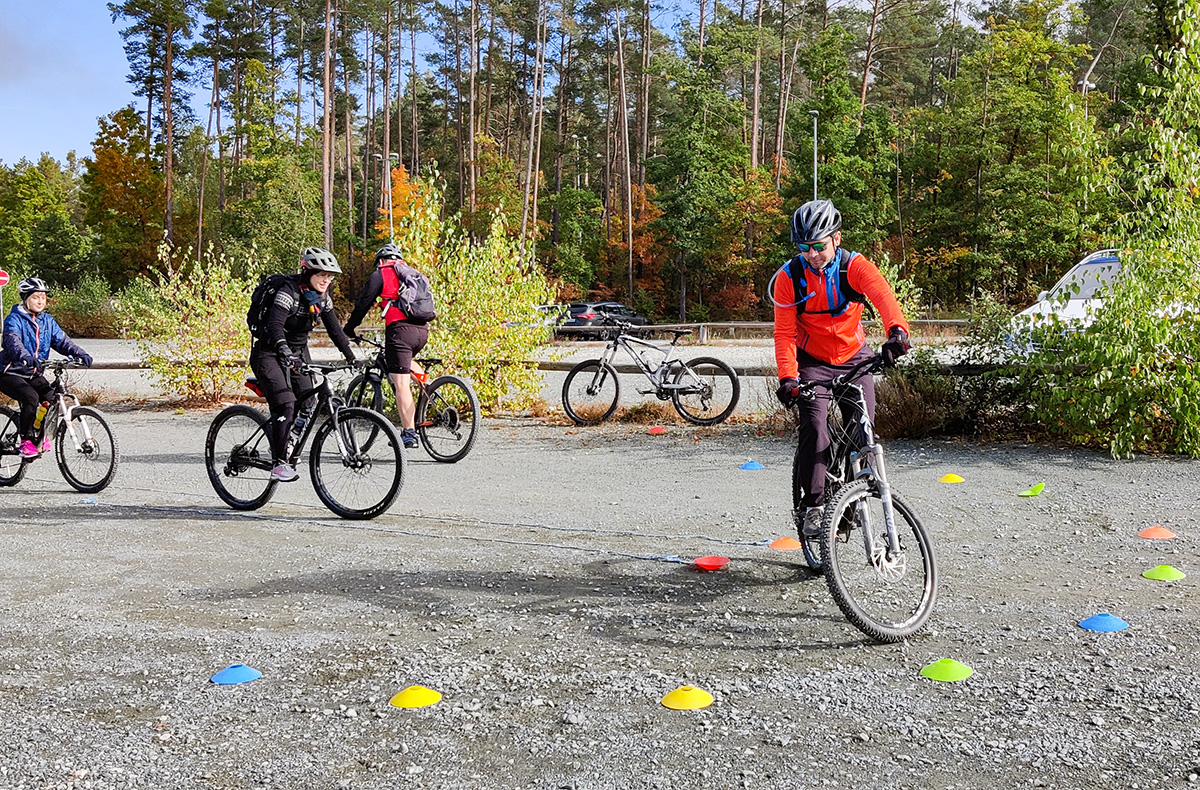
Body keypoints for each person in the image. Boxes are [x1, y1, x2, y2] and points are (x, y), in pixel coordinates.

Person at [772, 199, 911, 539]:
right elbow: (784, 333)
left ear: (836, 238)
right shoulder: (789, 277)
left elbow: (884, 297)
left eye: (819, 246)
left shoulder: (854, 267)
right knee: (815, 426)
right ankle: (815, 506)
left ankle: (852, 500)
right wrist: (788, 377)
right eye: (804, 247)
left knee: (863, 429)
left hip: (854, 356)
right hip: (812, 361)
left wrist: (897, 332)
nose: (812, 254)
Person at [250, 248, 358, 482]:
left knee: (308, 402)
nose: (326, 280)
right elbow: (275, 327)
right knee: (286, 404)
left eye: (330, 276)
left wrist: (352, 357)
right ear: (307, 272)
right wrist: (285, 352)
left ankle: (288, 441)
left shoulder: (322, 299)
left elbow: (335, 331)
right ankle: (279, 464)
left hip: (298, 353)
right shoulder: (288, 293)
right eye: (321, 275)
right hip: (268, 353)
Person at [342, 243, 431, 449]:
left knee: (401, 384)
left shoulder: (381, 274)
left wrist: (350, 328)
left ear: (381, 261)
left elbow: (363, 303)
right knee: (405, 364)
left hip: (400, 332)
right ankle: (430, 389)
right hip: (423, 330)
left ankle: (409, 434)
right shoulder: (412, 274)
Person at [0, 277, 93, 459]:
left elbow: (62, 342)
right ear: (25, 298)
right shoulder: (14, 319)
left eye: (43, 297)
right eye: (36, 297)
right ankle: (26, 441)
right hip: (9, 371)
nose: (40, 301)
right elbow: (13, 342)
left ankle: (39, 433)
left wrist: (80, 354)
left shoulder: (47, 321)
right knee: (31, 397)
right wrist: (26, 357)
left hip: (33, 372)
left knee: (52, 399)